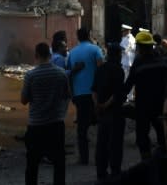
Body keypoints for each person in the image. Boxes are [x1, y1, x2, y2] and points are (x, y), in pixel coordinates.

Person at [22, 42, 70, 185]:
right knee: (59, 164)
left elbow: (23, 100)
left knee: (32, 165)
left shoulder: (31, 75)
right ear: (50, 56)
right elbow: (67, 95)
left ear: (36, 55)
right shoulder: (61, 74)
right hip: (56, 124)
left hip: (36, 125)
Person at [123, 30, 167, 160]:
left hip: (143, 106)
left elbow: (129, 83)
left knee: (142, 137)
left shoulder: (139, 62)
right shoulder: (161, 59)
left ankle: (147, 164)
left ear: (140, 47)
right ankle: (164, 161)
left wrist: (120, 99)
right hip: (160, 104)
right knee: (162, 134)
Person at [65, 26, 103, 165]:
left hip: (79, 95)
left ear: (78, 37)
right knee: (100, 125)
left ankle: (84, 158)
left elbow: (69, 72)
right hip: (95, 94)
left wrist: (72, 94)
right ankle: (102, 155)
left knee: (82, 129)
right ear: (89, 35)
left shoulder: (72, 52)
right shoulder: (95, 49)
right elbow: (101, 69)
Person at [92, 44, 125, 181]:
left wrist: (98, 105)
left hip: (101, 112)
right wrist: (105, 105)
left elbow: (93, 90)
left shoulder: (100, 69)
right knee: (115, 143)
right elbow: (117, 94)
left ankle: (101, 172)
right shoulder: (119, 70)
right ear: (117, 55)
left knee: (102, 143)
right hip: (114, 111)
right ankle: (115, 172)